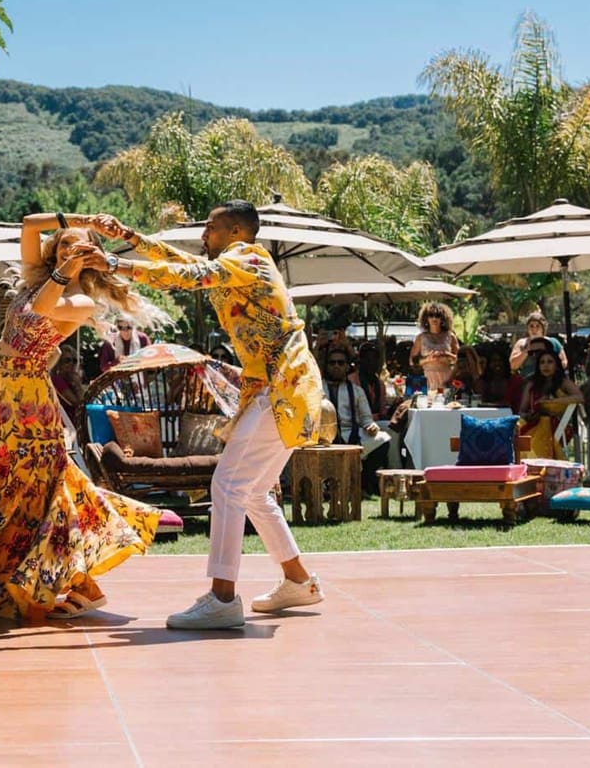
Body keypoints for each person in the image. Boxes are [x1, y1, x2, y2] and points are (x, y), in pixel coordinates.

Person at [86, 200, 324, 630]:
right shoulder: (238, 263)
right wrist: (128, 237)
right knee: (252, 491)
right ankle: (299, 581)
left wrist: (114, 262)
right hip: (285, 390)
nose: (203, 235)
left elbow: (190, 275)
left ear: (235, 231)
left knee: (228, 484)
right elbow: (184, 261)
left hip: (282, 389)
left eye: (210, 228)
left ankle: (222, 597)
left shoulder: (247, 258)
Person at [0, 212, 162, 621]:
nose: (69, 250)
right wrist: (83, 219)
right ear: (55, 250)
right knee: (6, 491)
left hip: (33, 399)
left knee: (40, 490)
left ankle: (74, 584)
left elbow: (40, 308)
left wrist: (69, 269)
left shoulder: (80, 300)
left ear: (90, 259)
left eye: (79, 247)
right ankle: (24, 581)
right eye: (64, 244)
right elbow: (29, 225)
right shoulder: (39, 275)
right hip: (3, 397)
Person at [324, 347, 390, 496]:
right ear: (326, 366)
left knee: (383, 441)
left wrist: (371, 426)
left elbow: (366, 418)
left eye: (340, 363)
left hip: (352, 433)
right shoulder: (318, 389)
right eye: (332, 363)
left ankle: (363, 482)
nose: (336, 366)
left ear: (347, 367)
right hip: (326, 437)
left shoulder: (356, 390)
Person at [519, 348, 583, 459]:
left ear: (556, 364)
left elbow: (580, 397)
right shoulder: (532, 384)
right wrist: (528, 415)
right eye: (542, 362)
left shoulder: (563, 382)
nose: (545, 366)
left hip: (556, 425)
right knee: (516, 427)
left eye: (550, 362)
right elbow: (522, 411)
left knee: (542, 427)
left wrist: (553, 401)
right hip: (533, 421)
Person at [410, 302, 459, 391]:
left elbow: (459, 359)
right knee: (426, 402)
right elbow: (412, 361)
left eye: (438, 316)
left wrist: (447, 355)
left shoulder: (450, 336)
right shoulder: (421, 338)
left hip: (446, 377)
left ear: (443, 318)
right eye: (431, 315)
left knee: (443, 402)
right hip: (426, 378)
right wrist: (427, 359)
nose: (434, 318)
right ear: (426, 318)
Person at [510, 311, 567, 378]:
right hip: (527, 382)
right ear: (527, 328)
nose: (534, 329)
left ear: (543, 328)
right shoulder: (521, 343)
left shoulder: (553, 342)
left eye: (537, 326)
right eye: (531, 326)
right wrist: (525, 352)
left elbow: (564, 362)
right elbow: (512, 366)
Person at [51, 344, 85, 425]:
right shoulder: (57, 380)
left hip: (75, 422)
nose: (72, 364)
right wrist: (78, 385)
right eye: (67, 361)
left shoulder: (70, 379)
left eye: (74, 361)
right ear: (58, 364)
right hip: (67, 425)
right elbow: (80, 404)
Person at [354, 342, 389, 419]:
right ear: (360, 361)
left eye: (375, 360)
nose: (371, 363)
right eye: (367, 360)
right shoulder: (351, 381)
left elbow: (382, 411)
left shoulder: (380, 384)